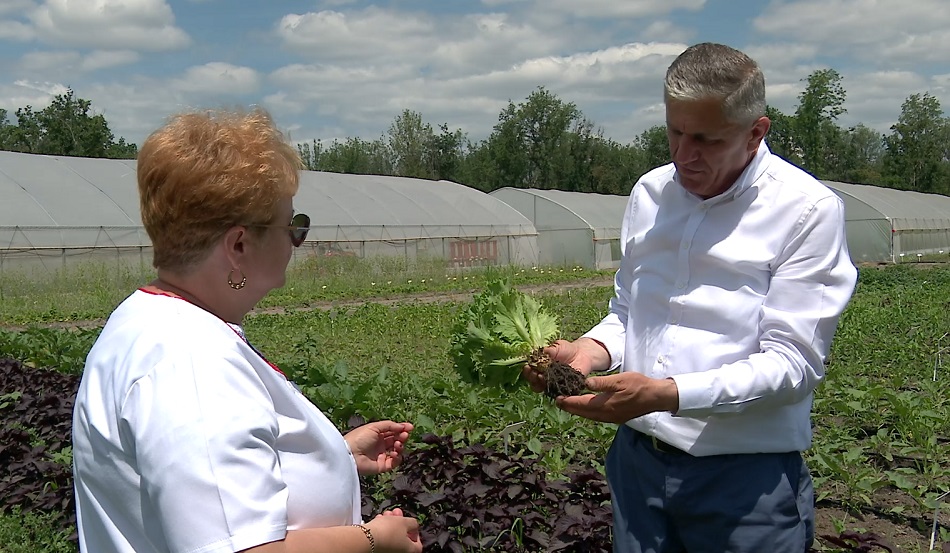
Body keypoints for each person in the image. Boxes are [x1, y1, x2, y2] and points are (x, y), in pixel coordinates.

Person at [524, 43, 857, 552]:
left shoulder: (806, 210)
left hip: (744, 482)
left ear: (755, 133)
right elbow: (631, 310)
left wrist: (670, 393)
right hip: (638, 464)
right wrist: (590, 351)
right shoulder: (651, 194)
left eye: (706, 139)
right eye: (675, 131)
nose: (684, 154)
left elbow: (793, 365)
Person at [72, 108, 423, 553]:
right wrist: (375, 539)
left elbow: (209, 485)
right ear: (239, 245)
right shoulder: (193, 367)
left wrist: (332, 456)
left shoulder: (148, 320)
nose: (297, 241)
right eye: (292, 227)